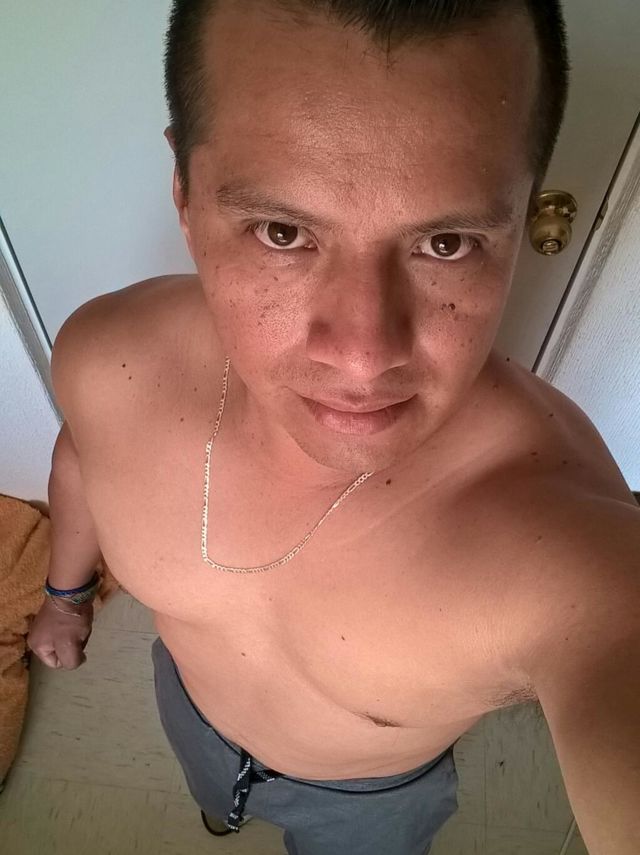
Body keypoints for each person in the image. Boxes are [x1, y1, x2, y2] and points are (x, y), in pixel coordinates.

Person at [27, 1, 640, 853]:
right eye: (283, 232)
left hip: (372, 800)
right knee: (214, 804)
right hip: (190, 714)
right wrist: (64, 599)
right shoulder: (109, 363)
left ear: (524, 216)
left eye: (447, 243)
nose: (362, 356)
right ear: (186, 198)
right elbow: (81, 458)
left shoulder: (564, 542)